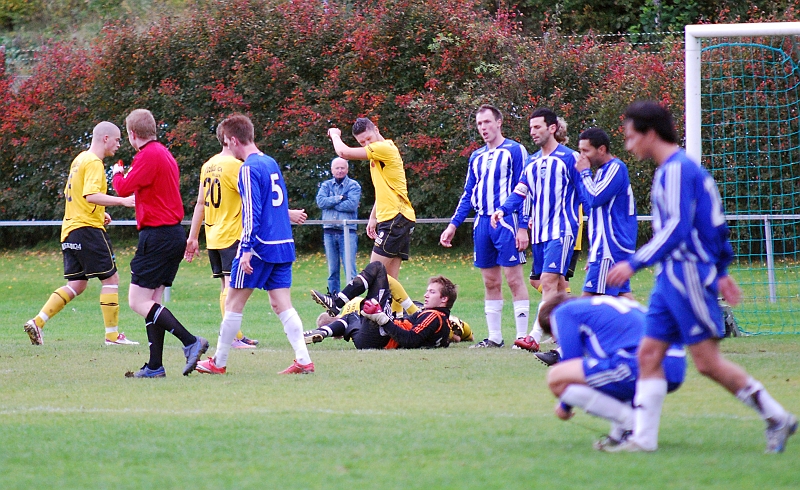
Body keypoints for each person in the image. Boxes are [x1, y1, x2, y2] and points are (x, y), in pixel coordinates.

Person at [605, 101, 796, 453]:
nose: (629, 146)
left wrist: (634, 263)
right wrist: (722, 270)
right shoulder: (673, 169)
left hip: (686, 274)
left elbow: (677, 228)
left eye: (632, 137)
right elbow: (714, 222)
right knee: (648, 354)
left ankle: (777, 416)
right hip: (670, 277)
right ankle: (643, 440)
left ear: (650, 133)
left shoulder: (677, 169)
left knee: (707, 363)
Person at [195, 114, 313, 375]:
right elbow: (278, 206)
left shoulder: (248, 168)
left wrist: (246, 248)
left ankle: (219, 361)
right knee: (282, 303)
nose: (228, 148)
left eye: (228, 142)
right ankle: (304, 360)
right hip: (283, 244)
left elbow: (252, 211)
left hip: (259, 246)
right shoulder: (270, 162)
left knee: (234, 302)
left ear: (234, 140)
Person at [23, 122, 138, 346]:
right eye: (117, 140)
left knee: (77, 284)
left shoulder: (79, 159)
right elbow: (91, 195)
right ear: (105, 138)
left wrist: (100, 214)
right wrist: (122, 200)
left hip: (70, 230)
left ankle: (37, 322)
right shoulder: (94, 162)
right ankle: (112, 336)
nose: (118, 145)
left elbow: (75, 195)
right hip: (87, 231)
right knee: (111, 279)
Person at [113, 109, 208, 378]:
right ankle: (155, 365)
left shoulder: (148, 156)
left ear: (132, 134)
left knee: (137, 300)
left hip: (157, 236)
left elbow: (122, 189)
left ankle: (191, 341)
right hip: (172, 234)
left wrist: (118, 171)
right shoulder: (164, 153)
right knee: (153, 301)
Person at [538, 293, 686, 450]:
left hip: (641, 363)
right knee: (606, 376)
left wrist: (564, 407)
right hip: (675, 363)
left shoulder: (562, 312)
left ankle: (631, 424)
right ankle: (619, 434)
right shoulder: (604, 307)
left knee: (557, 378)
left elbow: (571, 363)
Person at [439, 104, 530, 349]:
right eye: (479, 124)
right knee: (490, 281)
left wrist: (523, 226)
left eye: (487, 122)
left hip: (506, 222)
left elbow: (526, 188)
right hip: (482, 222)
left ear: (499, 122)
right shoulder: (476, 156)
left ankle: (522, 338)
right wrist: (453, 225)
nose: (483, 128)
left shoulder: (514, 150)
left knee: (513, 279)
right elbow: (468, 192)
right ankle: (494, 337)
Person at [491, 108, 580, 353]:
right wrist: (502, 210)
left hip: (562, 230)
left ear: (552, 128)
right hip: (539, 233)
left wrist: (595, 227)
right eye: (531, 128)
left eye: (537, 127)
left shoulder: (569, 158)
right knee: (557, 287)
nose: (533, 132)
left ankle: (533, 336)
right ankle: (572, 332)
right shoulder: (531, 161)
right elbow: (520, 191)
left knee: (549, 282)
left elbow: (585, 194)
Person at [185, 125, 263, 349]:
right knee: (232, 286)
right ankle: (232, 338)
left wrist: (193, 237)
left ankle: (235, 333)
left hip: (213, 234)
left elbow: (200, 203)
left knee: (225, 285)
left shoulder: (208, 165)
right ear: (230, 140)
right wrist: (287, 214)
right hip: (232, 233)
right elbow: (253, 200)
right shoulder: (236, 167)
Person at [326, 118, 415, 281]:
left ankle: (339, 302)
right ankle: (398, 307)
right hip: (399, 217)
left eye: (369, 139)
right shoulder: (378, 155)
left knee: (371, 275)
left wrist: (334, 134)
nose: (367, 144)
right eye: (362, 142)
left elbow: (343, 153)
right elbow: (384, 191)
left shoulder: (383, 148)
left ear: (376, 129)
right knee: (389, 281)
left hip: (395, 218)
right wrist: (373, 217)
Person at [306, 261, 455, 349]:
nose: (426, 295)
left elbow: (411, 339)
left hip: (381, 336)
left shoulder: (434, 316)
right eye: (427, 291)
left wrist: (383, 319)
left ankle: (337, 303)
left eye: (432, 292)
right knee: (351, 317)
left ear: (444, 299)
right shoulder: (438, 319)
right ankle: (322, 331)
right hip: (368, 340)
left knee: (377, 268)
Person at [574, 127, 637, 298]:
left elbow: (595, 198)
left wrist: (584, 173)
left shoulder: (615, 168)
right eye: (580, 151)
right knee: (623, 300)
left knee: (587, 304)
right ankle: (648, 325)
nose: (582, 156)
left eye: (585, 150)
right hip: (603, 247)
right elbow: (595, 211)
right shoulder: (601, 172)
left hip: (610, 246)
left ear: (601, 149)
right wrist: (593, 251)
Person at [315, 156, 362, 293]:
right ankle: (333, 299)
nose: (340, 170)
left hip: (347, 232)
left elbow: (351, 205)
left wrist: (331, 203)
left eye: (342, 168)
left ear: (347, 169)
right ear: (331, 170)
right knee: (332, 269)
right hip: (329, 231)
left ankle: (351, 298)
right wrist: (340, 198)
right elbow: (321, 203)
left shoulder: (354, 185)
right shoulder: (325, 185)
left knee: (350, 268)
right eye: (337, 168)